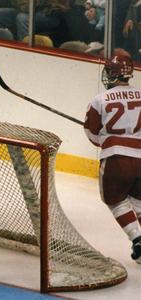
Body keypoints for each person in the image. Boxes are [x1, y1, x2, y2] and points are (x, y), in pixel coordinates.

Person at [84, 54, 141, 264]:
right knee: (137, 201)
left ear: (113, 73)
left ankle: (137, 238)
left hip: (116, 158)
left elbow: (91, 132)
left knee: (115, 200)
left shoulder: (99, 99)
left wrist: (106, 141)